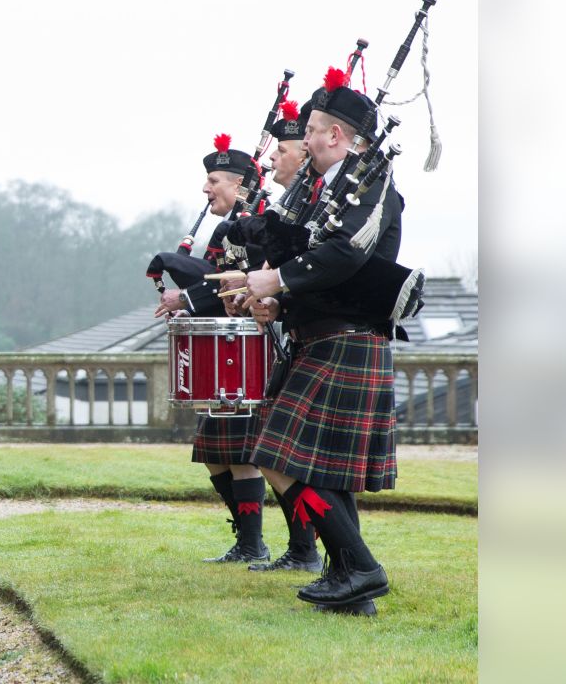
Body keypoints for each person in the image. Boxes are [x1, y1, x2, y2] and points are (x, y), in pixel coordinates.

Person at [242, 69, 402, 615]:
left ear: (336, 135)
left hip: (351, 340)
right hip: (316, 337)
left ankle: (360, 568)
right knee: (317, 466)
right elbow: (311, 267)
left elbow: (349, 253)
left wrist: (278, 281)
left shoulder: (373, 184)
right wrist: (277, 301)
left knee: (279, 453)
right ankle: (349, 586)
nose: (302, 138)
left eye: (310, 129)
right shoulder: (324, 191)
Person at [156, 134, 269, 564]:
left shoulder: (263, 220)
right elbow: (212, 282)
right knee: (216, 458)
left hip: (252, 354)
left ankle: (265, 545)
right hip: (224, 355)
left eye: (214, 181)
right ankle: (247, 539)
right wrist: (187, 303)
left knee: (243, 458)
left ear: (241, 186)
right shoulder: (223, 231)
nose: (206, 189)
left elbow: (258, 278)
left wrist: (184, 300)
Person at [227, 99, 324, 574]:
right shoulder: (289, 208)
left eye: (282, 150)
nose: (271, 160)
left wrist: (272, 294)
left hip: (329, 342)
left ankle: (332, 559)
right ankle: (321, 558)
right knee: (272, 454)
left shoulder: (327, 205)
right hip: (303, 338)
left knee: (287, 458)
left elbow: (331, 268)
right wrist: (270, 300)